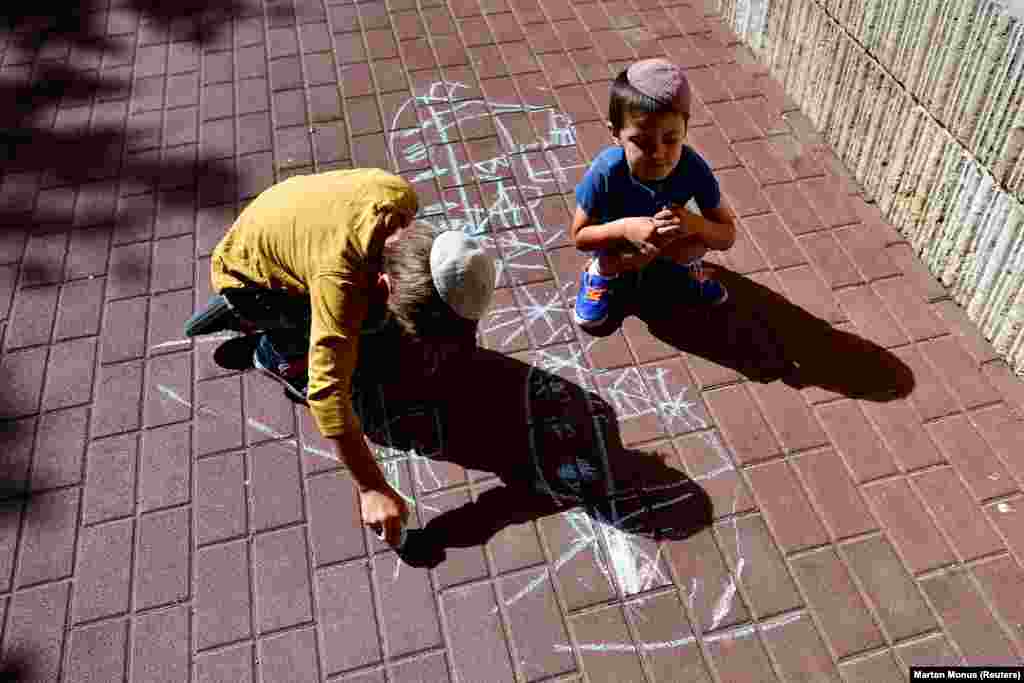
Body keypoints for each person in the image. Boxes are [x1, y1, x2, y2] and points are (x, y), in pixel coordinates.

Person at [184, 168, 496, 546]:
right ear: (383, 283)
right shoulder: (341, 284)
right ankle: (275, 355)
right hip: (249, 279)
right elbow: (328, 397)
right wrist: (371, 487)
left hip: (289, 230)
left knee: (373, 327)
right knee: (344, 337)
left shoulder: (400, 199)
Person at [571, 58, 738, 329]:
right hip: (621, 247)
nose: (659, 153)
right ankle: (599, 274)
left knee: (697, 244)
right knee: (610, 257)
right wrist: (625, 229)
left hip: (664, 244)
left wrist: (693, 223)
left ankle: (682, 271)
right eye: (642, 141)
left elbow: (727, 234)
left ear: (685, 128)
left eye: (671, 139)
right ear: (616, 134)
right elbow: (579, 236)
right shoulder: (606, 170)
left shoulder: (692, 166)